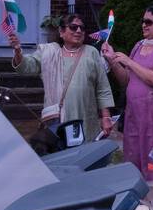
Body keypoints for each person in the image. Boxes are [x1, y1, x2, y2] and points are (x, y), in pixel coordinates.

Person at [103, 5, 153, 208]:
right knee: (135, 159)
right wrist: (113, 62)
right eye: (143, 21)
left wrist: (128, 61)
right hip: (135, 115)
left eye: (149, 22)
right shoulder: (138, 45)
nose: (143, 25)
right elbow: (127, 80)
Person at [6, 14, 114, 147]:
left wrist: (106, 117)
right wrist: (18, 52)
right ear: (61, 32)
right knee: (60, 157)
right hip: (58, 121)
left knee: (84, 157)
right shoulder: (49, 53)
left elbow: (102, 88)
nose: (79, 31)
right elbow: (26, 66)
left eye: (82, 28)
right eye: (74, 27)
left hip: (86, 119)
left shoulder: (91, 52)